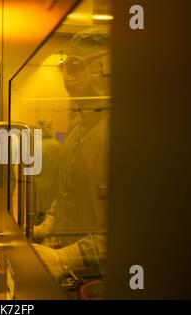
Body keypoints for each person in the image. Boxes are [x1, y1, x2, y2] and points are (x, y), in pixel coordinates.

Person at [32, 26, 110, 280]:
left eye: (75, 65)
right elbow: (68, 190)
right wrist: (51, 222)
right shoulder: (79, 127)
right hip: (76, 270)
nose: (67, 75)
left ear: (105, 67)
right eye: (66, 65)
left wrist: (68, 257)